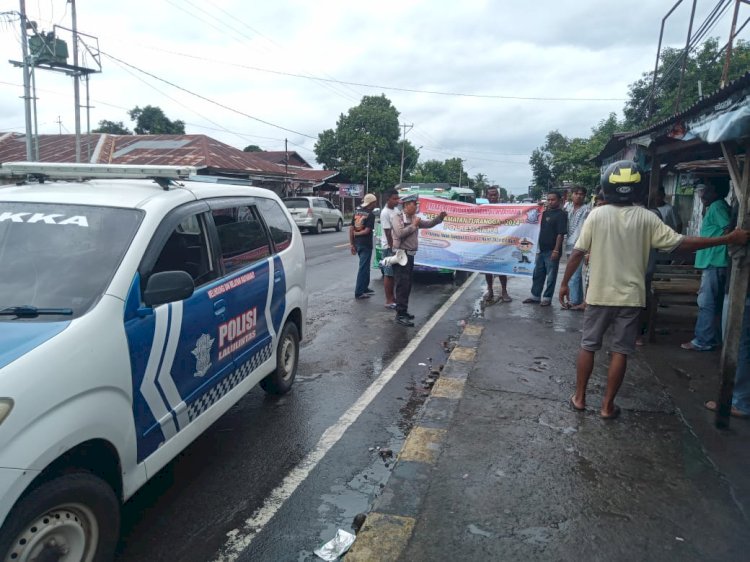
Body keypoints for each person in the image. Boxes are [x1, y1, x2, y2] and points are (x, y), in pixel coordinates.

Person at [560, 161, 748, 419]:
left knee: (589, 346)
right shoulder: (648, 217)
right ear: (637, 187)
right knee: (620, 351)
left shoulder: (597, 215)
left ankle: (579, 399)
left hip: (599, 295)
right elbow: (681, 244)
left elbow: (578, 254)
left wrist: (563, 284)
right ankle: (607, 407)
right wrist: (727, 239)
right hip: (632, 297)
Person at [681, 182, 731, 351]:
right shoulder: (716, 206)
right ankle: (712, 337)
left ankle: (703, 340)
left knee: (706, 302)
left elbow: (727, 229)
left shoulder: (717, 206)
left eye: (706, 191)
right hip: (714, 260)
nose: (702, 195)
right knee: (713, 302)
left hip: (714, 259)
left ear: (715, 191)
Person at [391, 194, 447, 326]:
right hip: (401, 254)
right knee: (402, 285)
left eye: (416, 204)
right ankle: (400, 314)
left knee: (408, 284)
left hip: (410, 255)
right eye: (413, 204)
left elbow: (428, 224)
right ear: (405, 205)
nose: (416, 206)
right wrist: (414, 226)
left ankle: (404, 311)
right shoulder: (397, 217)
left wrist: (439, 218)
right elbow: (399, 233)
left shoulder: (414, 218)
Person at [523, 190, 568, 306]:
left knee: (551, 276)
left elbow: (560, 234)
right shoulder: (544, 213)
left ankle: (547, 298)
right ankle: (535, 296)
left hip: (552, 250)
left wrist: (556, 250)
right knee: (538, 274)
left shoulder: (561, 214)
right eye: (548, 199)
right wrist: (536, 208)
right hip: (540, 250)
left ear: (559, 201)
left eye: (553, 200)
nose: (550, 202)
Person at [563, 186, 589, 310]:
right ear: (572, 195)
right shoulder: (567, 207)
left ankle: (573, 301)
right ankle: (577, 299)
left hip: (581, 244)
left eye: (581, 194)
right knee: (574, 274)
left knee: (575, 274)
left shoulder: (587, 209)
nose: (579, 196)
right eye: (576, 193)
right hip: (569, 243)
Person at [483, 186, 511, 303]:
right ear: (487, 196)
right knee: (487, 269)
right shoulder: (482, 209)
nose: (493, 197)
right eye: (491, 195)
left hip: (501, 242)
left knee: (501, 268)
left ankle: (504, 291)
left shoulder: (505, 208)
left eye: (495, 195)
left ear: (498, 196)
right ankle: (490, 291)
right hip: (487, 242)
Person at [349, 193, 377, 300]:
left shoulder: (357, 212)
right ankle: (359, 292)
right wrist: (357, 234)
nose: (375, 204)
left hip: (358, 243)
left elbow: (351, 228)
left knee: (365, 267)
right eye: (375, 202)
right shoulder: (370, 215)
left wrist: (352, 243)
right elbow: (367, 231)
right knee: (363, 268)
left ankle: (365, 287)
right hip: (365, 244)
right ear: (372, 203)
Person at [379, 189, 401, 309]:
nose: (397, 201)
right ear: (388, 199)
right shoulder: (385, 213)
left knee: (394, 274)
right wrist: (392, 248)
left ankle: (393, 298)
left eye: (397, 198)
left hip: (396, 246)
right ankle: (389, 300)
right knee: (388, 274)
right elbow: (388, 232)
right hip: (388, 247)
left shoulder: (396, 210)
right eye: (394, 199)